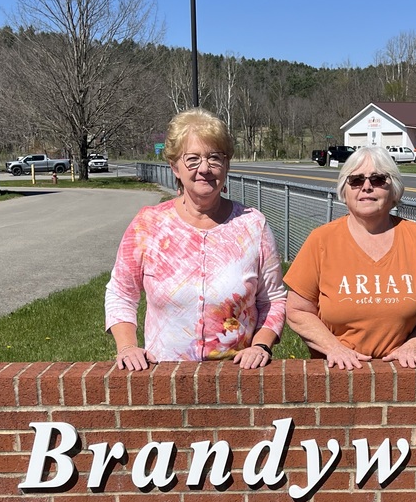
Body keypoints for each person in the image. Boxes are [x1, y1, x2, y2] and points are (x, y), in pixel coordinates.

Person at [105, 108, 286, 370]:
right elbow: (121, 293)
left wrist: (260, 345)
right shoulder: (149, 224)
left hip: (238, 376)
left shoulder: (253, 225)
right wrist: (128, 347)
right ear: (175, 167)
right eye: (192, 159)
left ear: (226, 166)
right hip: (164, 373)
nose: (204, 168)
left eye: (215, 158)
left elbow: (273, 300)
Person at [284, 145, 416, 369]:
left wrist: (414, 344)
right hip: (338, 372)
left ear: (393, 189)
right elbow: (297, 310)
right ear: (344, 191)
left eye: (377, 179)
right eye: (355, 180)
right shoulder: (321, 240)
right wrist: (333, 348)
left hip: (402, 373)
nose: (366, 187)